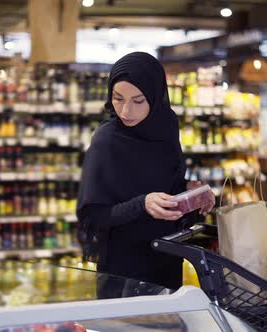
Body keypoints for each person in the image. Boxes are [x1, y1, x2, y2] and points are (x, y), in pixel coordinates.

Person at [76, 52, 212, 298]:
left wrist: (190, 196)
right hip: (123, 273)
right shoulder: (107, 141)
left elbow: (167, 200)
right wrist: (142, 204)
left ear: (155, 96)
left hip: (167, 264)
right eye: (118, 98)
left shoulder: (166, 130)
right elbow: (93, 216)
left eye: (138, 101)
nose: (126, 110)